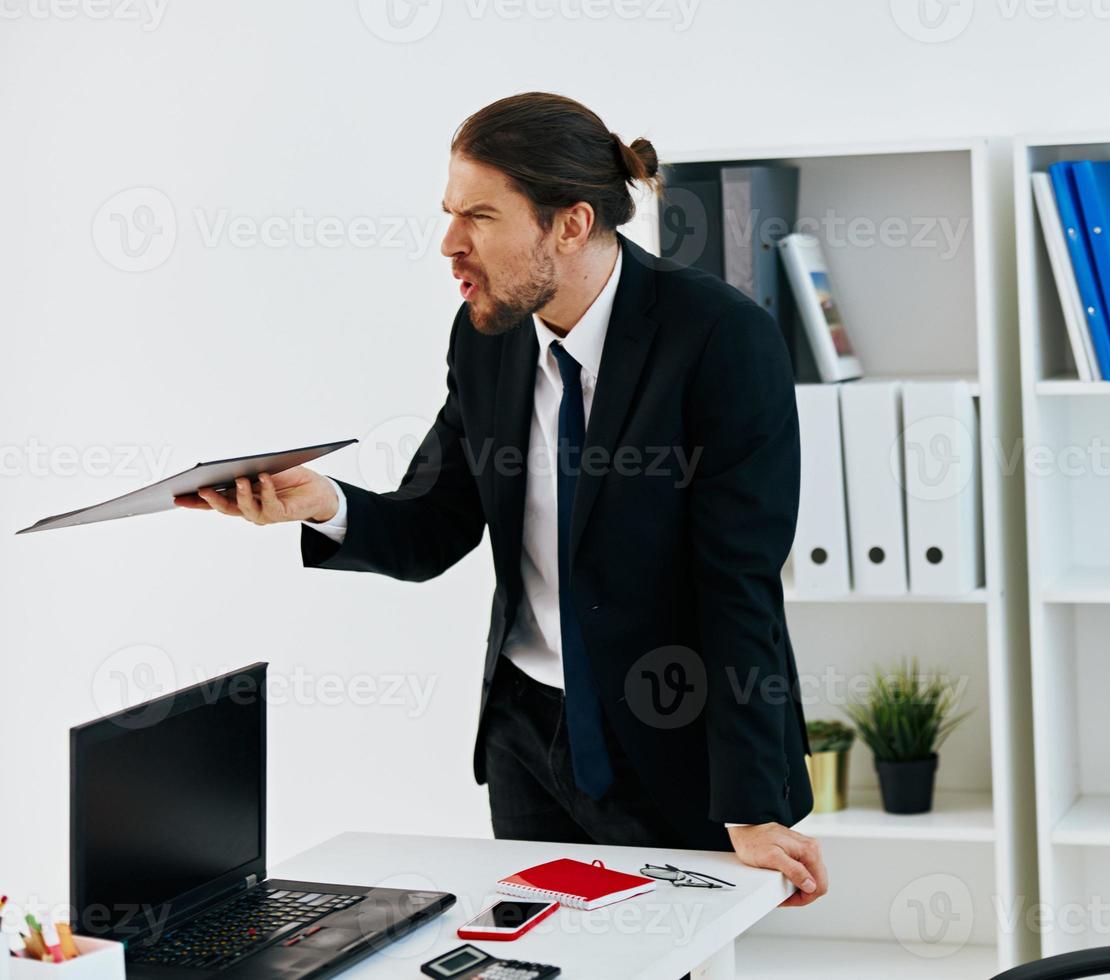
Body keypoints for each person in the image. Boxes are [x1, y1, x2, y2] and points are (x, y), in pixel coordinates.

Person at [178, 92, 828, 906]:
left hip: (670, 741)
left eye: (479, 217)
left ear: (570, 223)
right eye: (450, 214)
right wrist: (320, 501)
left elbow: (738, 583)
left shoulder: (718, 339)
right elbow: (432, 524)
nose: (450, 245)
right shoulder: (486, 334)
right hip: (526, 738)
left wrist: (753, 803)